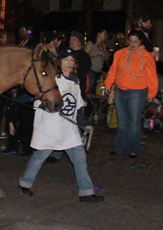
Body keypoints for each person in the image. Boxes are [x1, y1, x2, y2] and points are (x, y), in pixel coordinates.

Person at [17, 49, 104, 202]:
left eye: (72, 60)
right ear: (59, 62)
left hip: (69, 129)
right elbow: (40, 102)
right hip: (50, 127)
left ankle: (86, 191)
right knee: (40, 156)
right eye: (65, 60)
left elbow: (77, 108)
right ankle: (25, 183)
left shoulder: (75, 82)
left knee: (79, 158)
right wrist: (50, 107)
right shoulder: (52, 80)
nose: (69, 63)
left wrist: (84, 124)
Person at [104, 30, 158, 158]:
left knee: (134, 120)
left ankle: (134, 148)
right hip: (120, 90)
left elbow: (152, 75)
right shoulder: (120, 53)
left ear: (140, 42)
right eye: (131, 41)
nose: (132, 44)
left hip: (137, 91)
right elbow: (113, 70)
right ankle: (119, 146)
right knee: (122, 120)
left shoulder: (146, 56)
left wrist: (152, 93)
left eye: (135, 42)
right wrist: (108, 84)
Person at [85, 29, 108, 94]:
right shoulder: (91, 44)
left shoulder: (102, 45)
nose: (105, 36)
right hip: (91, 70)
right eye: (104, 34)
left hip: (99, 71)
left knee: (97, 89)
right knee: (91, 88)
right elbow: (84, 56)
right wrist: (95, 54)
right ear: (99, 34)